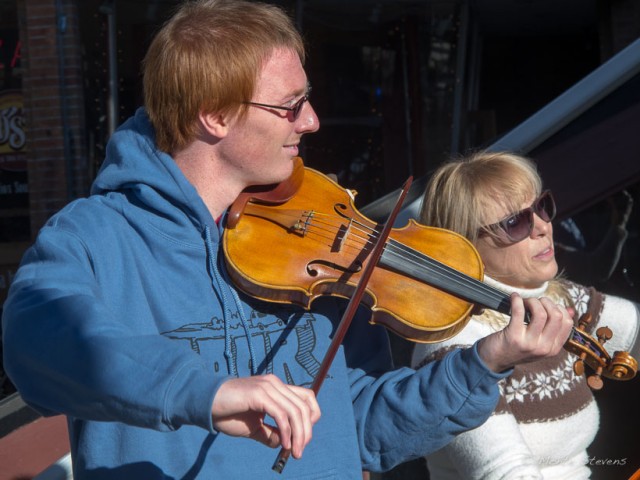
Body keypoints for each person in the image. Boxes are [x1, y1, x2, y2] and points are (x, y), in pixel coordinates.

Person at [1, 2, 573, 479]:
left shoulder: (320, 245)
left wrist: (485, 364)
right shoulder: (94, 236)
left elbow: (364, 431)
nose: (313, 121)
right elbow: (36, 342)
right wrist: (209, 392)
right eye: (291, 105)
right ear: (214, 117)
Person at [412, 150, 640, 480]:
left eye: (540, 207)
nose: (543, 227)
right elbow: (505, 473)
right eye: (514, 222)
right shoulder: (455, 349)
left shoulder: (558, 299)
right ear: (464, 246)